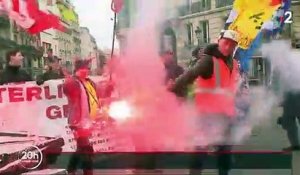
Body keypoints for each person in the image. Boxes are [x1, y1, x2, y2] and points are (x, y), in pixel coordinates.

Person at [171, 30, 240, 175]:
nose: (228, 47)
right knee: (200, 151)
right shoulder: (209, 60)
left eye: (232, 45)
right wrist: (176, 91)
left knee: (225, 152)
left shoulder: (233, 63)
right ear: (219, 41)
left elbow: (230, 87)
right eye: (226, 42)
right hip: (206, 115)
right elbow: (189, 75)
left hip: (226, 115)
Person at [64, 59, 103, 175]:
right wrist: (70, 77)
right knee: (86, 149)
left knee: (81, 148)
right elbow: (67, 89)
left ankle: (70, 170)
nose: (86, 70)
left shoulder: (90, 82)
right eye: (84, 68)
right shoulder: (74, 83)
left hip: (88, 121)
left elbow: (99, 94)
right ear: (77, 69)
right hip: (78, 122)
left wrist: (109, 87)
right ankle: (88, 172)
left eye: (88, 68)